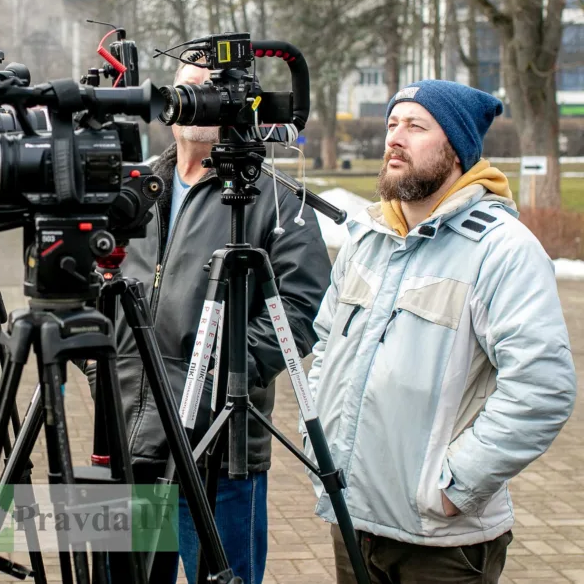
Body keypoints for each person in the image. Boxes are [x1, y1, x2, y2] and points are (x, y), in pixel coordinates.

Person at [306, 80, 576, 583]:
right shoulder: (366, 240)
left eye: (415, 126)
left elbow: (543, 388)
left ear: (455, 147)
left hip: (441, 542)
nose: (394, 138)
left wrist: (455, 485)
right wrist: (318, 437)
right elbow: (326, 347)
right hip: (353, 521)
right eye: (391, 124)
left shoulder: (502, 250)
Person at [85, 58, 331, 584]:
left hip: (219, 450)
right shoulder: (135, 189)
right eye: (186, 85)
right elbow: (92, 287)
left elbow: (302, 306)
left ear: (238, 102)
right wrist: (97, 370)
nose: (195, 95)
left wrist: (221, 376)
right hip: (125, 438)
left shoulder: (276, 199)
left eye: (211, 87)